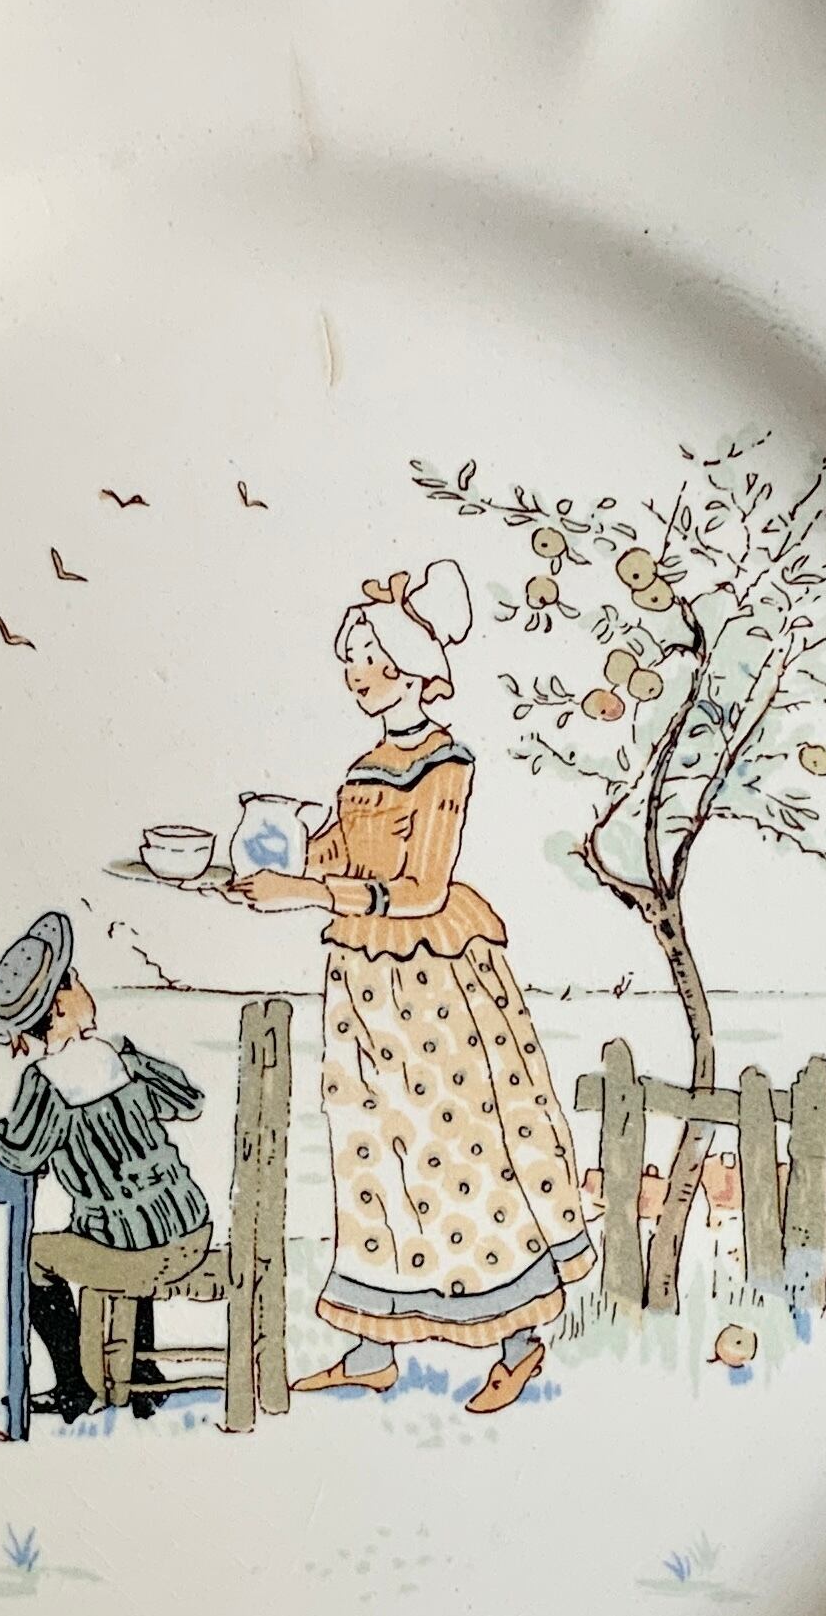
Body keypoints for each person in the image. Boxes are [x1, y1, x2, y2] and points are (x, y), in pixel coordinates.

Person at [227, 561, 591, 1412]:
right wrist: (260, 857)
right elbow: (334, 853)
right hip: (362, 983)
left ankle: (517, 1341)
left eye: (374, 659)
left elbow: (422, 888)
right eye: (354, 660)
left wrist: (302, 891)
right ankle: (372, 1345)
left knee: (460, 1156)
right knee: (371, 1155)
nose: (359, 674)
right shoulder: (365, 764)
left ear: (419, 669)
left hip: (431, 986)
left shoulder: (443, 765)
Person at [0, 912, 211, 1422]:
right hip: (191, 1228)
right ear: (61, 1003)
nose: (85, 984)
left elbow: (22, 1154)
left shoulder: (46, 1081)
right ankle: (142, 1376)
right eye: (76, 978)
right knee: (122, 1227)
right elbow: (190, 1100)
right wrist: (127, 1056)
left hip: (134, 1253)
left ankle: (76, 1385)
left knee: (34, 1259)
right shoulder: (119, 1057)